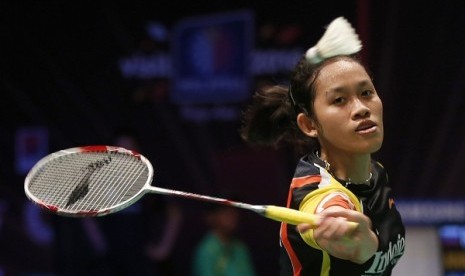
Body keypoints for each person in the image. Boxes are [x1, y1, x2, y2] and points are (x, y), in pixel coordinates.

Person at [240, 17, 405, 275]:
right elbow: (326, 207)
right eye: (339, 100)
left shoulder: (375, 172)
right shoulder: (315, 190)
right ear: (309, 124)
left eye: (366, 93)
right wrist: (345, 235)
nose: (361, 109)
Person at [192, 195, 256, 276]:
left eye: (234, 210)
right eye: (226, 211)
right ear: (212, 216)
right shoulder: (206, 251)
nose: (233, 215)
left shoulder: (240, 248)